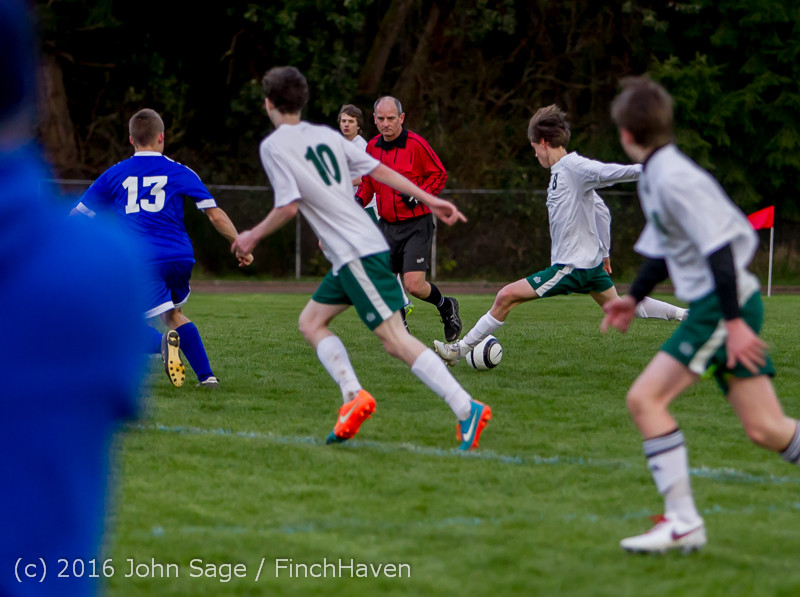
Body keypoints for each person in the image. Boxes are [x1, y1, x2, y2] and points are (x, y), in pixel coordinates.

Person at [231, 66, 491, 450]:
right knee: (311, 321)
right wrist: (433, 199)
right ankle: (353, 396)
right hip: (352, 250)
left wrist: (251, 234)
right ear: (302, 101)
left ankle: (465, 407)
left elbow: (287, 207)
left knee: (395, 341)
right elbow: (381, 173)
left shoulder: (273, 146)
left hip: (356, 251)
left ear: (268, 103)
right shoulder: (325, 136)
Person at [602, 75, 800, 554]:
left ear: (627, 135)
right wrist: (634, 296)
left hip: (720, 306)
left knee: (645, 400)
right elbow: (666, 250)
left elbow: (718, 254)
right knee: (767, 429)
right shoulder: (658, 173)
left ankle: (684, 522)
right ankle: (683, 522)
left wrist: (731, 324)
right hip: (723, 305)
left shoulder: (671, 178)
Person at [0, 1, 147, 594]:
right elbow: (208, 205)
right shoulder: (99, 265)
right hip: (140, 260)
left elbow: (88, 201)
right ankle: (198, 368)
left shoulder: (115, 175)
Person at [434, 105, 686, 366]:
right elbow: (602, 211)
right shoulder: (563, 174)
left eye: (534, 148)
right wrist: (605, 252)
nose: (535, 155)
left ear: (543, 142)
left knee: (505, 296)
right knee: (622, 304)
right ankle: (687, 315)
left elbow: (608, 172)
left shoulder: (573, 167)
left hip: (572, 268)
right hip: (590, 267)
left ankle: (458, 351)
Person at [71, 109, 253, 388]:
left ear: (131, 140)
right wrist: (239, 243)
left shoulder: (114, 174)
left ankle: (162, 347)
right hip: (180, 257)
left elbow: (78, 217)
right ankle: (207, 377)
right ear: (161, 137)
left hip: (141, 260)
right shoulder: (180, 170)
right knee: (173, 315)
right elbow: (214, 214)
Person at [355, 96, 461, 341]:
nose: (386, 123)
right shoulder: (371, 148)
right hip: (386, 225)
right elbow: (368, 182)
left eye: (391, 118)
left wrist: (419, 195)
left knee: (414, 285)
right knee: (384, 280)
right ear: (374, 119)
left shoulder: (417, 144)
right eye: (380, 119)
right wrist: (358, 202)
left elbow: (439, 175)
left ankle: (446, 306)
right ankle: (400, 326)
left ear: (401, 118)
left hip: (416, 225)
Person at [339, 102, 414, 315]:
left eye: (350, 121)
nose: (346, 125)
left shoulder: (361, 146)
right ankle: (394, 297)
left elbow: (367, 177)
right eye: (343, 121)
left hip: (368, 208)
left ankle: (398, 299)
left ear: (359, 125)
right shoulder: (345, 145)